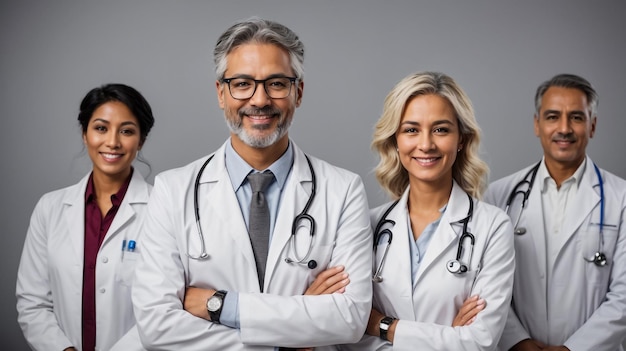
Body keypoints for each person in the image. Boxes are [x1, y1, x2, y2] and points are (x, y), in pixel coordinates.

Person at [131, 17, 372, 350]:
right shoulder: (173, 190)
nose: (259, 100)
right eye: (242, 83)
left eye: (276, 83)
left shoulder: (343, 190)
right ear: (221, 93)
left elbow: (349, 320)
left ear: (297, 92)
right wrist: (292, 335)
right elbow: (156, 326)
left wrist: (218, 305)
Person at [341, 71, 515, 350]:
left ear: (461, 139)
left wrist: (382, 325)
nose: (426, 144)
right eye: (411, 130)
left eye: (441, 129)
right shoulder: (369, 225)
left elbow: (479, 342)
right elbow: (349, 336)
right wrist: (447, 338)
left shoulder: (493, 226)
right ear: (395, 140)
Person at [485, 74, 626, 351]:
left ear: (592, 125)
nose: (564, 128)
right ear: (537, 124)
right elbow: (486, 285)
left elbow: (624, 296)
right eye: (552, 117)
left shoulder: (621, 199)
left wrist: (572, 349)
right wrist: (518, 341)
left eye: (576, 117)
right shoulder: (499, 195)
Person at [16, 83, 155, 351]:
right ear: (84, 133)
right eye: (101, 128)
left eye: (126, 131)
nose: (112, 142)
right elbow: (32, 302)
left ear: (141, 140)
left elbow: (163, 307)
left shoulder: (161, 209)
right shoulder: (50, 208)